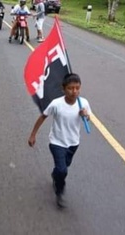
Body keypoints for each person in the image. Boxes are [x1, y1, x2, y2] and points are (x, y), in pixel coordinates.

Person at [27, 73, 92, 208]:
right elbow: (42, 117)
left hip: (74, 142)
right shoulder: (56, 104)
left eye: (77, 88)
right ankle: (59, 191)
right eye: (70, 88)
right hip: (57, 142)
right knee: (63, 170)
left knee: (64, 166)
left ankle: (56, 175)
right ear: (63, 89)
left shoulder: (83, 103)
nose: (74, 91)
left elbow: (88, 118)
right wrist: (33, 135)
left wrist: (85, 115)